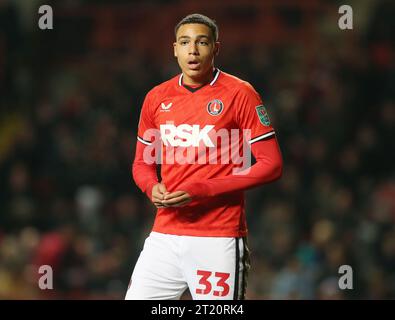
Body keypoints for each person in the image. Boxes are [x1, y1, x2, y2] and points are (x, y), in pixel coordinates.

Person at [126, 13, 283, 300]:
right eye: (185, 42)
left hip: (218, 236)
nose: (193, 50)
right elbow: (142, 163)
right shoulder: (156, 98)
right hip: (165, 234)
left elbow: (271, 165)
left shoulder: (240, 93)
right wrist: (152, 187)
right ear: (175, 48)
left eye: (202, 42)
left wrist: (204, 188)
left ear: (216, 48)